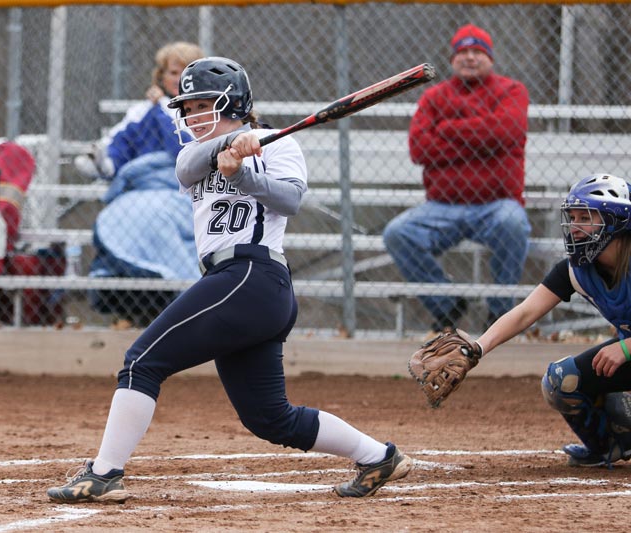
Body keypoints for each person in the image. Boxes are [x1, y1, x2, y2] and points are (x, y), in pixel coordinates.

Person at [46, 57, 413, 503]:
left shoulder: (276, 144)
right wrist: (231, 144)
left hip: (252, 277)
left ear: (234, 102)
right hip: (237, 286)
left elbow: (291, 200)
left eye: (204, 104)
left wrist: (243, 169)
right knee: (269, 418)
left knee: (142, 362)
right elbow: (187, 166)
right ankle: (380, 456)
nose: (193, 115)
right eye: (189, 107)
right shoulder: (195, 156)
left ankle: (103, 473)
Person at [471, 173, 631, 468]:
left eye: (587, 217)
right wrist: (476, 349)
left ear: (615, 221)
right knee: (561, 380)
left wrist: (626, 347)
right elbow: (525, 312)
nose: (575, 227)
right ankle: (608, 445)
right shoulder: (579, 270)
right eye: (573, 217)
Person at [383, 23, 531, 334]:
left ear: (490, 57)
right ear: (452, 59)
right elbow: (419, 148)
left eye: (478, 51)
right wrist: (484, 141)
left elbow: (506, 131)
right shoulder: (435, 96)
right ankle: (447, 305)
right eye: (463, 51)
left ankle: (501, 315)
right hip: (442, 206)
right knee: (398, 233)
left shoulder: (511, 90)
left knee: (514, 224)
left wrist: (448, 130)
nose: (470, 58)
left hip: (497, 206)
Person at [74, 41, 204, 203]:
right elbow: (122, 137)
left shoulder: (204, 112)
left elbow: (182, 148)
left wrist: (161, 107)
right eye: (173, 73)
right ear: (161, 76)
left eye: (186, 72)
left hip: (179, 185)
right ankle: (107, 165)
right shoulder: (146, 108)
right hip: (143, 184)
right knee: (135, 126)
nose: (179, 79)